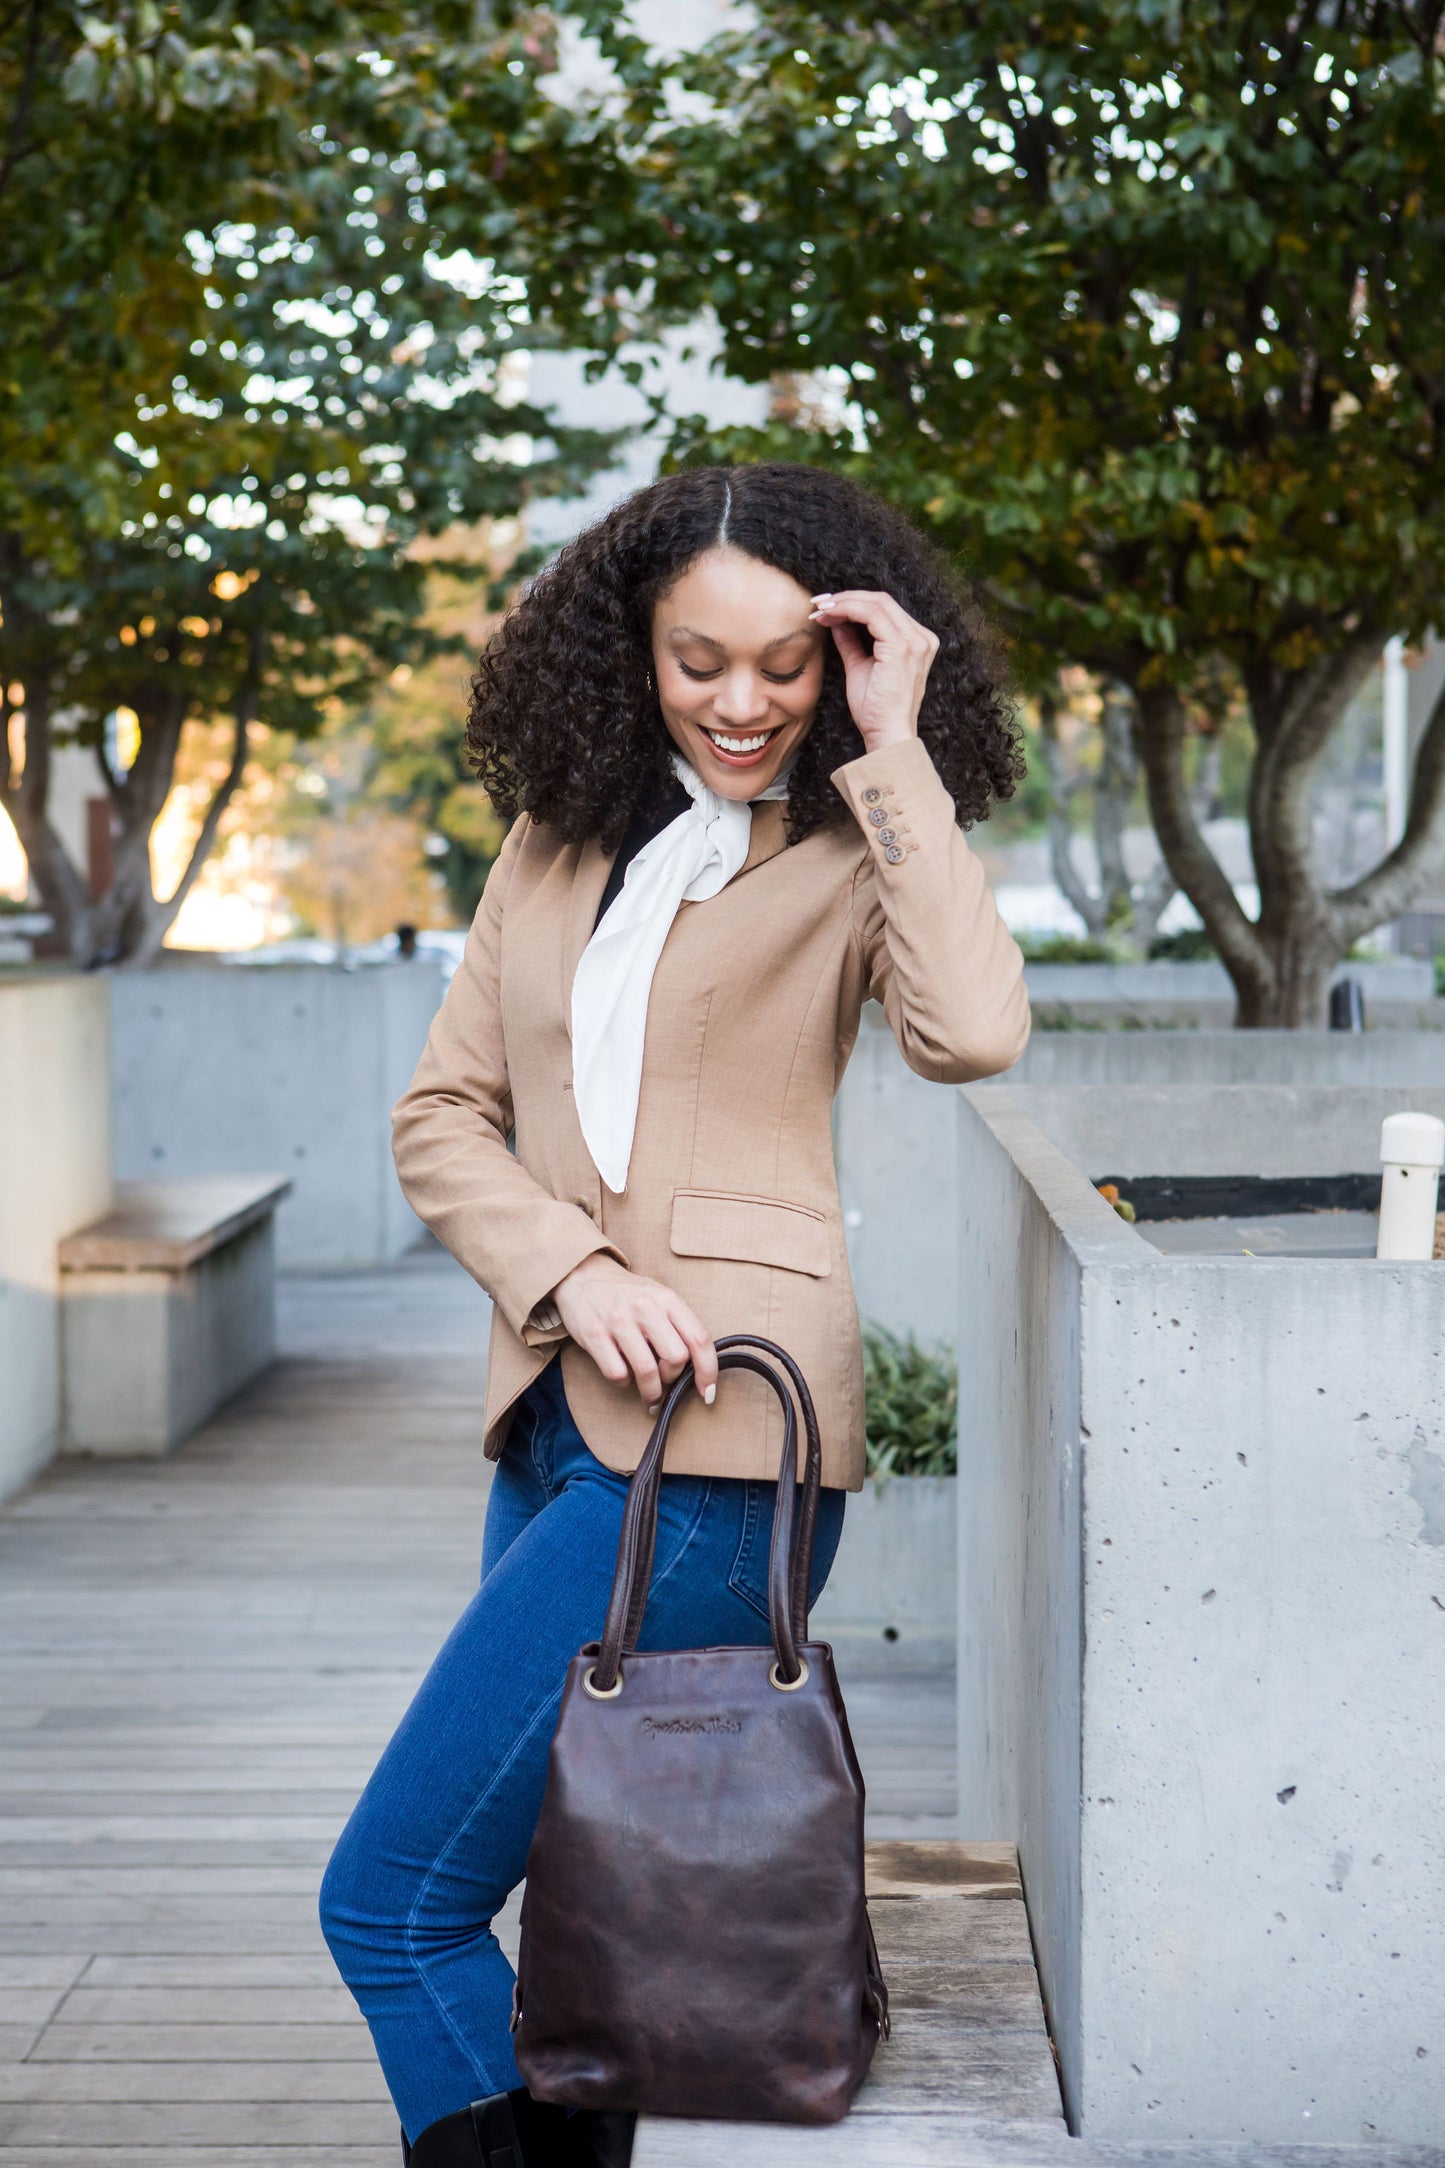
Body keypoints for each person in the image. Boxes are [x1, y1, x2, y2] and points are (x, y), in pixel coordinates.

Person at [318, 462, 1031, 2167]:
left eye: (783, 664)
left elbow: (973, 1034)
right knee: (595, 1917)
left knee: (390, 1905)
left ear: (838, 659)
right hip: (552, 1423)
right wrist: (570, 1269)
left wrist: (894, 747)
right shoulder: (553, 841)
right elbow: (442, 1114)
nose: (739, 701)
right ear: (631, 652)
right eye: (696, 660)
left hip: (723, 1451)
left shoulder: (857, 845)